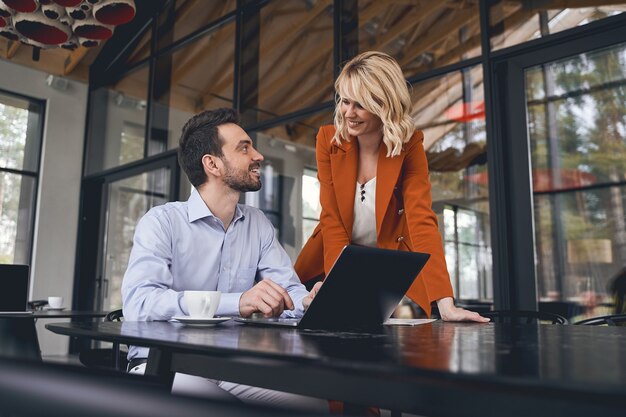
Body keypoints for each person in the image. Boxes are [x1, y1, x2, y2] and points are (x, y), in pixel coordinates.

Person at [121, 108, 326, 412]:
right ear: (212, 164)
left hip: (232, 364)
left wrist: (309, 301)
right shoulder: (161, 222)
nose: (258, 155)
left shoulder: (258, 223)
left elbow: (289, 291)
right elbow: (140, 304)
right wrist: (237, 302)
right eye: (244, 147)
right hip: (165, 361)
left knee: (313, 405)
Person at [295, 51, 489, 324]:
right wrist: (338, 286)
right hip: (332, 260)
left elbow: (421, 220)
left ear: (383, 104)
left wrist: (447, 304)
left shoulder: (409, 146)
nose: (348, 113)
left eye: (359, 105)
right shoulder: (328, 141)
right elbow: (332, 219)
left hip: (385, 263)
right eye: (345, 101)